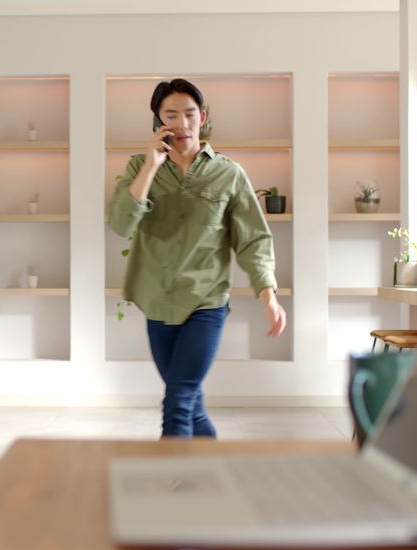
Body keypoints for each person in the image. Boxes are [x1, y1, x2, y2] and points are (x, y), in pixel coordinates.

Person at [107, 78, 287, 438]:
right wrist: (150, 167)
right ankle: (212, 466)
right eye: (171, 115)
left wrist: (268, 296)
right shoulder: (139, 168)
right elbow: (121, 223)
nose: (182, 123)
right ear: (157, 121)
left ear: (202, 117)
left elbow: (252, 239)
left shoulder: (229, 173)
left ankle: (173, 471)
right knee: (191, 407)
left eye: (190, 114)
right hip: (157, 301)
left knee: (177, 404)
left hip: (206, 301)